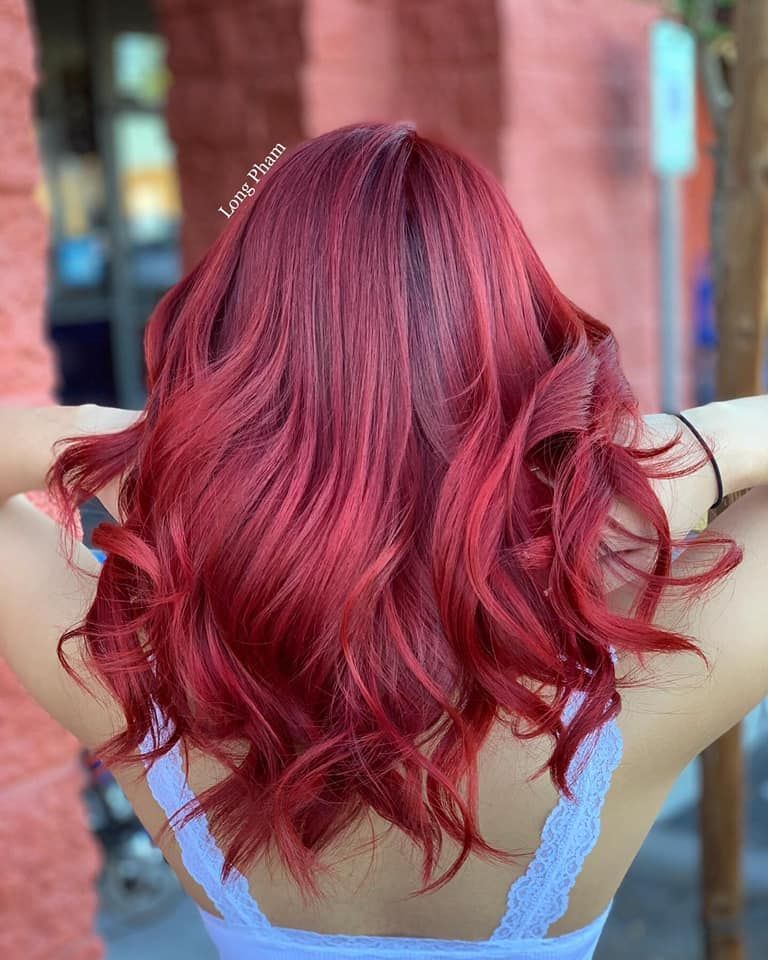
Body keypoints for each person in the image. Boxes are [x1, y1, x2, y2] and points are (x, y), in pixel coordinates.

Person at [1, 122, 767, 960]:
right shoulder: (643, 687)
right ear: (518, 342)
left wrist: (117, 444)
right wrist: (657, 461)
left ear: (224, 345)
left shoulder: (135, 677)